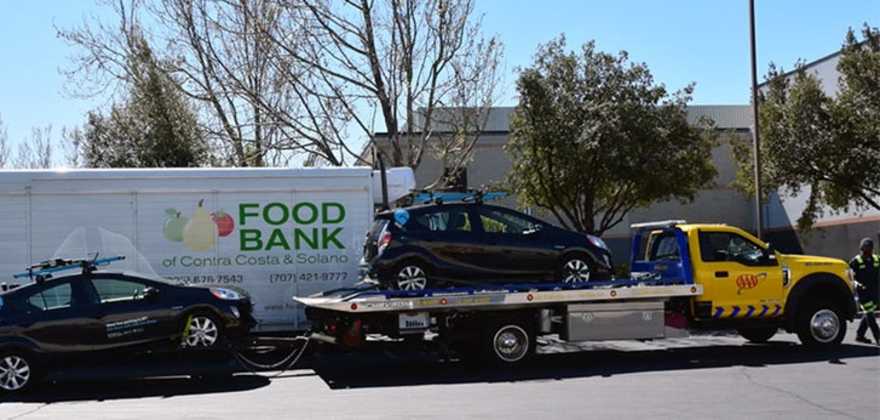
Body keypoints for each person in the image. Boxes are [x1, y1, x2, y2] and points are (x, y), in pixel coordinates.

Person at [851, 237, 880, 345]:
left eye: (869, 249)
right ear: (861, 248)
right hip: (863, 292)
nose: (867, 252)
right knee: (870, 315)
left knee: (868, 314)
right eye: (864, 250)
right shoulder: (855, 261)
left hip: (875, 292)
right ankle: (878, 337)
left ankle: (860, 335)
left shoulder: (876, 259)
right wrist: (856, 285)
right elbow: (850, 277)